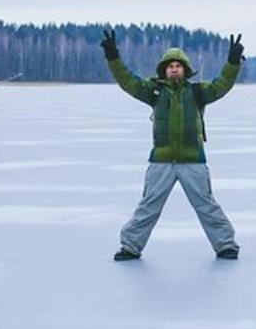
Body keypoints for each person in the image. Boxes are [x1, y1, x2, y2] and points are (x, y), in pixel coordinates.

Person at [102, 29, 245, 261]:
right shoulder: (154, 91)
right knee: (148, 206)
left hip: (193, 160)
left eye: (178, 65)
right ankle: (130, 246)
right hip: (161, 161)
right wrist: (113, 57)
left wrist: (232, 62)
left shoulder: (198, 91)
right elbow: (128, 81)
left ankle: (226, 245)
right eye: (170, 66)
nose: (174, 69)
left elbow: (222, 85)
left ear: (185, 69)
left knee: (206, 205)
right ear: (164, 70)